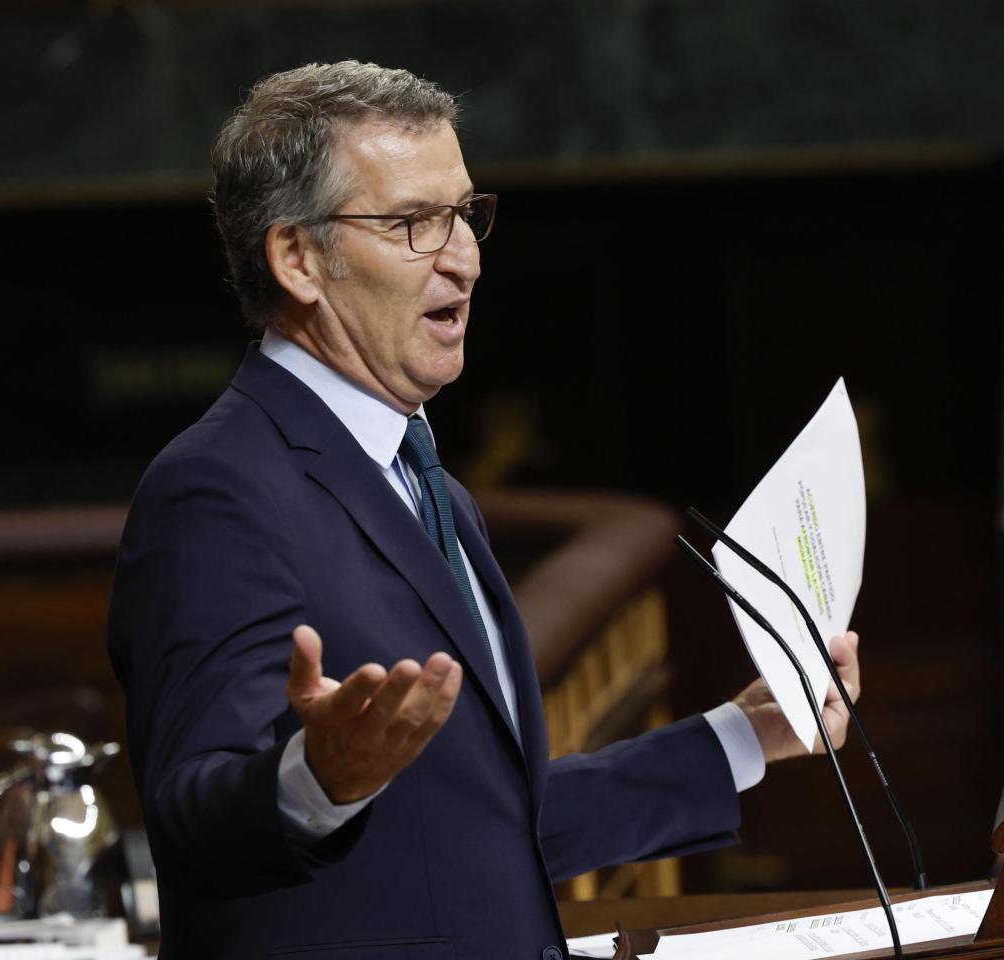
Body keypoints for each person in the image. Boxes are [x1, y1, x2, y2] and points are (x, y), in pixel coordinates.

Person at [106, 60, 862, 959]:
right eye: (413, 224)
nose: (463, 257)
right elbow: (194, 823)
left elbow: (481, 831)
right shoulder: (217, 490)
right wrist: (316, 781)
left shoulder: (427, 481)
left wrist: (745, 735)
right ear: (298, 258)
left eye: (466, 215)